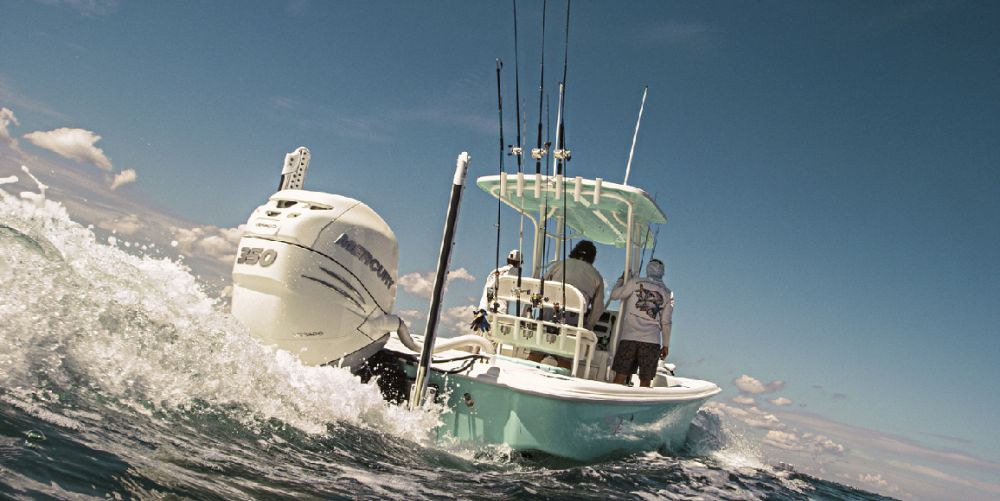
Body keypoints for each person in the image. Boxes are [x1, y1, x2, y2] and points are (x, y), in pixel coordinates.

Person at [610, 258, 673, 388]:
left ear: (648, 269)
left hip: (629, 338)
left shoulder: (634, 282)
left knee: (620, 376)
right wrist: (666, 345)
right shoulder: (668, 293)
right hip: (652, 341)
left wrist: (621, 280)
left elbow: (614, 295)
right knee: (645, 381)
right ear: (663, 272)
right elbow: (666, 322)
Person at [542, 240, 605, 329]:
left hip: (547, 318)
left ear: (574, 251)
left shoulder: (559, 265)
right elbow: (598, 308)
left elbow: (540, 286)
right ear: (592, 257)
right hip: (572, 326)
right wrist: (588, 326)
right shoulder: (596, 276)